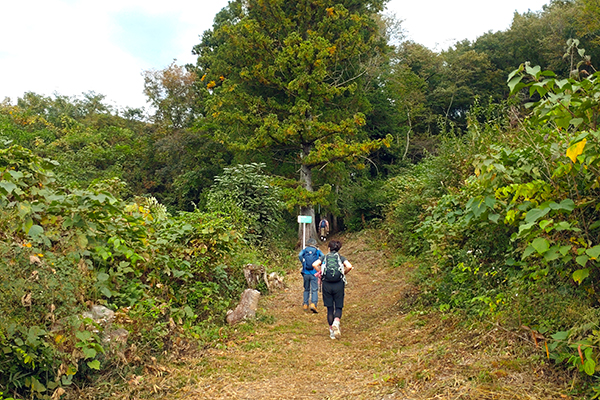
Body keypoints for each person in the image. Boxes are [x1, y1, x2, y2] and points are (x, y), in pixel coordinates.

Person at [312, 240, 353, 339]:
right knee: (338, 306)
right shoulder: (341, 258)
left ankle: (331, 332)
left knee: (330, 308)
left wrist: (321, 272)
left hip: (327, 284)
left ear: (329, 248)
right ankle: (336, 321)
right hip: (338, 284)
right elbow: (349, 266)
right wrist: (344, 273)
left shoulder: (324, 257)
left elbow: (314, 264)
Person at [298, 238, 323, 313]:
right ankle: (313, 304)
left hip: (305, 272)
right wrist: (319, 263)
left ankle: (305, 304)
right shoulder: (317, 250)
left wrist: (303, 262)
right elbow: (323, 256)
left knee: (306, 289)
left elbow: (299, 255)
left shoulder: (305, 250)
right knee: (314, 289)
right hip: (314, 273)